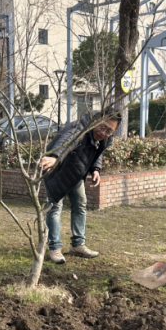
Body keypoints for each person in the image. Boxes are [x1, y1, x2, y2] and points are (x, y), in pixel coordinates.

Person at [39, 109, 122, 264]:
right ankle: (54, 248)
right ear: (96, 120)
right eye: (102, 127)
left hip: (75, 172)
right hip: (56, 169)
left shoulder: (104, 138)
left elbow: (97, 151)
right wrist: (55, 157)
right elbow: (67, 141)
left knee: (80, 204)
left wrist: (96, 169)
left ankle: (77, 245)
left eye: (109, 131)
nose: (103, 133)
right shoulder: (79, 128)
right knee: (55, 207)